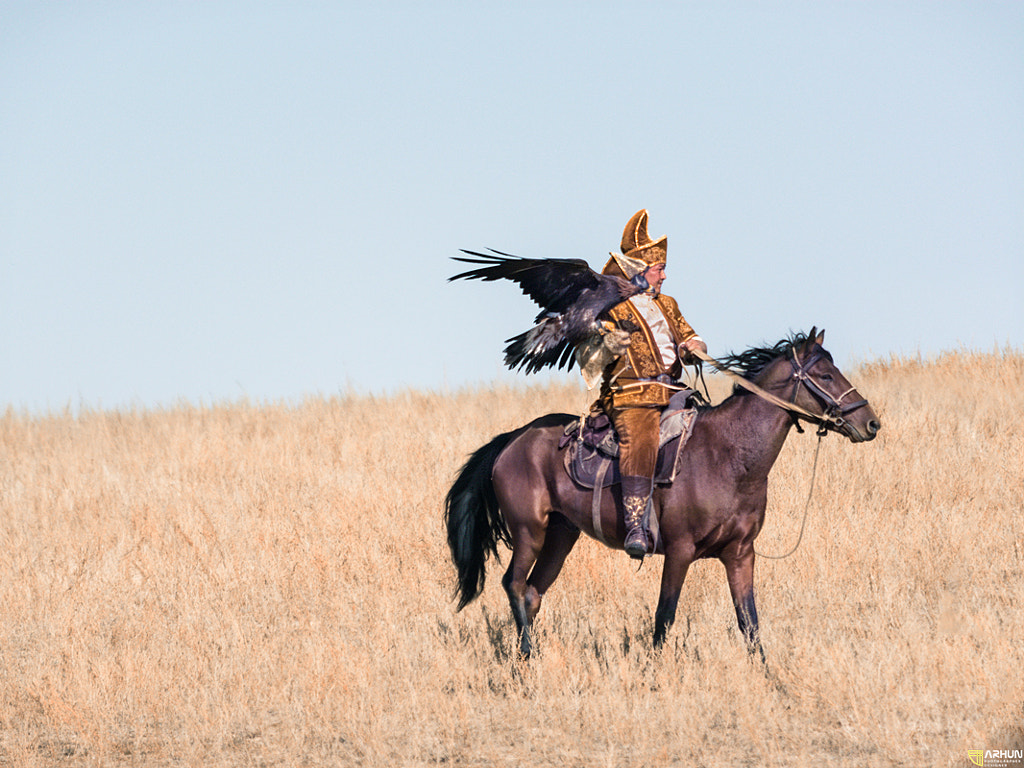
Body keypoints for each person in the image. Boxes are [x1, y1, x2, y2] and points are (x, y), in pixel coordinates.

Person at [597, 210, 707, 558]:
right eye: (659, 269)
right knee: (642, 439)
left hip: (674, 392)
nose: (664, 275)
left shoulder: (669, 304)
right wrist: (610, 343)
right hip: (631, 395)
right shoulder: (612, 307)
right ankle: (634, 526)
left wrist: (695, 349)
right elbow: (592, 353)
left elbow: (692, 337)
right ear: (641, 272)